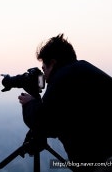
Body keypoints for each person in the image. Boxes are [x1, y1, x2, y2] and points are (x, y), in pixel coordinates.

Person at [18, 34, 112, 172]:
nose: (44, 76)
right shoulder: (84, 70)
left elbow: (45, 122)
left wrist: (29, 103)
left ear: (53, 63)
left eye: (44, 68)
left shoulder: (62, 77)